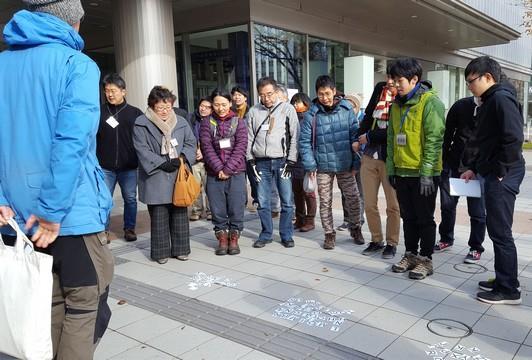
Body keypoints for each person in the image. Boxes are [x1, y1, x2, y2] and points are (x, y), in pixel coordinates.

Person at [0, 2, 114, 359]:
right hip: (68, 216)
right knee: (85, 305)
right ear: (74, 22)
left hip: (15, 215)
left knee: (44, 304)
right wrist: (51, 210)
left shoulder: (2, 66)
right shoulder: (76, 65)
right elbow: (72, 140)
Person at [461, 56, 525, 305]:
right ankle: (503, 278)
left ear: (488, 77)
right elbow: (486, 142)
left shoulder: (500, 99)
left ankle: (509, 289)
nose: (469, 86)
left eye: (471, 81)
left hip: (504, 174)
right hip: (496, 171)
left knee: (500, 232)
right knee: (498, 230)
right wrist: (474, 169)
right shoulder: (492, 99)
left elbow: (513, 138)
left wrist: (499, 170)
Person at [387, 58, 445, 280]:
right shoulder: (396, 105)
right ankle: (410, 254)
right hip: (402, 172)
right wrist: (391, 169)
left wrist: (427, 173)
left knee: (424, 218)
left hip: (424, 175)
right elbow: (392, 138)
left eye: (399, 80)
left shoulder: (431, 103)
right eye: (393, 80)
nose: (395, 84)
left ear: (414, 79)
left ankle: (426, 259)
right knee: (408, 217)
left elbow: (434, 140)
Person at [299, 75, 364, 250]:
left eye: (327, 93)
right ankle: (329, 233)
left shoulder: (346, 109)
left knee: (353, 198)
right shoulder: (312, 113)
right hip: (322, 167)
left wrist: (356, 163)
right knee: (325, 201)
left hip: (345, 164)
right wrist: (310, 164)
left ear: (334, 91)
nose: (325, 98)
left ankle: (356, 227)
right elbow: (304, 141)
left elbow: (355, 136)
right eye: (321, 94)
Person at [133, 86, 196, 264]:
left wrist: (182, 158)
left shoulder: (181, 121)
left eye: (167, 107)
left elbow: (191, 142)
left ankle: (181, 249)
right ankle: (161, 253)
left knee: (179, 213)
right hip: (156, 176)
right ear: (152, 106)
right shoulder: (141, 123)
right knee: (159, 216)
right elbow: (141, 149)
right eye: (160, 107)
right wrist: (162, 163)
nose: (164, 111)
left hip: (177, 174)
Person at [246, 77, 299, 248]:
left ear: (276, 92)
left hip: (282, 162)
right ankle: (266, 233)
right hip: (261, 163)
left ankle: (286, 234)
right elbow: (248, 138)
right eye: (262, 95)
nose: (266, 98)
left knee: (287, 201)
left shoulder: (287, 109)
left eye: (269, 94)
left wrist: (291, 160)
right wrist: (250, 159)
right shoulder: (253, 111)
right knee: (262, 201)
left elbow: (295, 136)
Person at [353, 73, 401, 259]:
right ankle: (376, 240)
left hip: (391, 158)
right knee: (370, 203)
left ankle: (391, 243)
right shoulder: (380, 89)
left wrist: (371, 136)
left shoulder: (405, 98)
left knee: (393, 205)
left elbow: (396, 129)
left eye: (395, 79)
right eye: (389, 77)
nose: (390, 82)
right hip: (369, 155)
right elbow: (367, 116)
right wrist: (358, 137)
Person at [434, 96, 486, 264]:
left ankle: (476, 247)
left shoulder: (493, 106)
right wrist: (443, 161)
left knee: (477, 212)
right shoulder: (461, 105)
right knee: (447, 206)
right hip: (454, 164)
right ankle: (446, 238)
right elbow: (447, 134)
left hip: (478, 168)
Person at [200, 89, 248, 255]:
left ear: (230, 103)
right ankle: (222, 237)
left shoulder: (239, 122)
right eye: (217, 104)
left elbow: (241, 147)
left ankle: (234, 237)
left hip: (236, 172)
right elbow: (206, 147)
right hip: (214, 173)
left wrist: (227, 169)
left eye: (224, 104)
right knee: (217, 207)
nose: (220, 108)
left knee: (236, 206)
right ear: (212, 105)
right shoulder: (207, 123)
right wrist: (219, 168)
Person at [97, 73, 143, 241]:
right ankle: (103, 230)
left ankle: (129, 228)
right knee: (104, 199)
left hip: (129, 166)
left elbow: (142, 139)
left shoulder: (135, 113)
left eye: (114, 90)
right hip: (105, 165)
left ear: (124, 91)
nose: (109, 94)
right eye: (107, 91)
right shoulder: (99, 111)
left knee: (130, 198)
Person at [290, 92, 316, 232]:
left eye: (298, 102)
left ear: (306, 103)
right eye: (293, 102)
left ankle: (310, 220)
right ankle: (300, 218)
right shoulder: (291, 118)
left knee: (308, 190)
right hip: (294, 160)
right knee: (297, 191)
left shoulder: (311, 118)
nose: (295, 105)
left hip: (306, 159)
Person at [187, 97, 212, 221]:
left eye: (208, 107)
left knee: (209, 187)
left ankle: (210, 210)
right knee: (195, 186)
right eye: (202, 106)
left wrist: (204, 152)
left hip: (209, 159)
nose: (204, 109)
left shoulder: (213, 121)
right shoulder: (191, 118)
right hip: (194, 158)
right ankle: (196, 210)